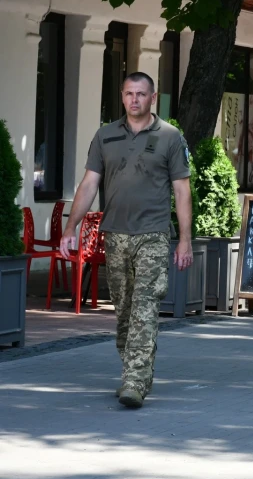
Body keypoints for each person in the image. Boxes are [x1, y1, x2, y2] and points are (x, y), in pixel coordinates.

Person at [60, 72, 193, 409]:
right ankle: (133, 368)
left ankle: (135, 381)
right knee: (124, 312)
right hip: (115, 235)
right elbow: (89, 184)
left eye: (141, 94)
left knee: (145, 309)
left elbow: (182, 190)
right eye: (129, 93)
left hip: (153, 235)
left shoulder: (170, 136)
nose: (135, 99)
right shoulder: (105, 136)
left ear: (153, 97)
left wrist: (185, 240)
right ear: (122, 96)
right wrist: (70, 228)